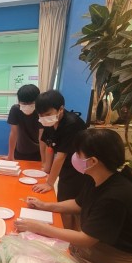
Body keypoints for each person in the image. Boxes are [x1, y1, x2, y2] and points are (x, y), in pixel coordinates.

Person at [15, 128, 132, 263]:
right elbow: (79, 204)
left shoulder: (116, 196)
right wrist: (46, 206)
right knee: (30, 260)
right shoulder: (97, 177)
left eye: (78, 154)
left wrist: (39, 227)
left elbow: (86, 239)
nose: (74, 157)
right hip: (93, 256)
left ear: (93, 161)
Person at [32, 90, 87, 230]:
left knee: (67, 204)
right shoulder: (51, 122)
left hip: (80, 168)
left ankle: (69, 236)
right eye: (41, 115)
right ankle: (67, 231)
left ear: (60, 109)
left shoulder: (72, 124)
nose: (44, 118)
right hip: (67, 165)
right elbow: (50, 146)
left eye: (48, 114)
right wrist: (46, 168)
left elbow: (61, 156)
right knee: (62, 198)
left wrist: (49, 183)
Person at [6, 84, 43, 161]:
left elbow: (41, 136)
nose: (27, 106)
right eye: (24, 103)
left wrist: (44, 160)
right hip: (20, 150)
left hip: (38, 151)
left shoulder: (41, 111)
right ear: (19, 101)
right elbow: (13, 133)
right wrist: (10, 155)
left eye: (31, 103)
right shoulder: (15, 109)